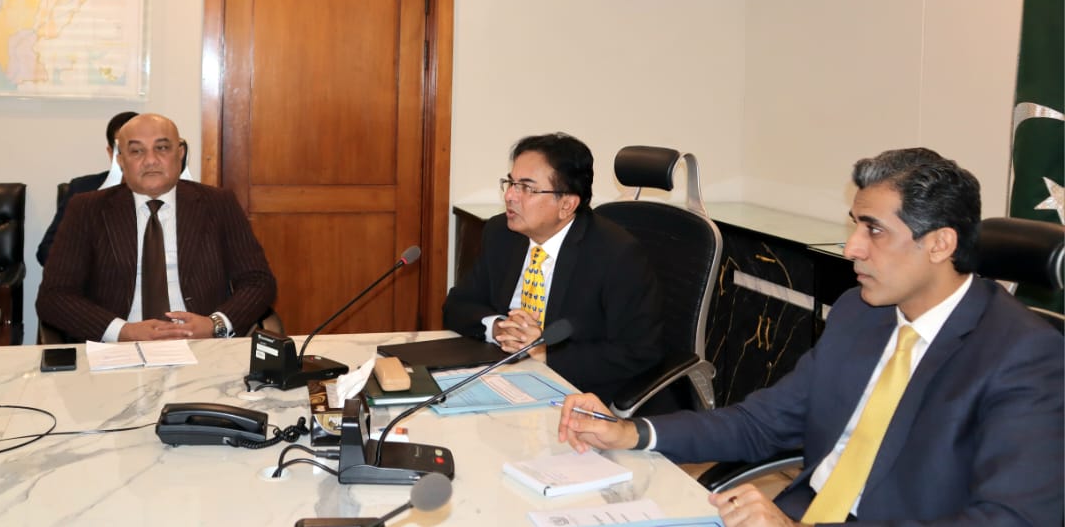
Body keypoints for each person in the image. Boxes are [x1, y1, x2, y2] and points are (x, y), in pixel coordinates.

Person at [558, 148, 1063, 527]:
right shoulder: (860, 314)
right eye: (854, 226)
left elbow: (1010, 519)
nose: (851, 248)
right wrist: (634, 432)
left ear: (940, 244)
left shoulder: (1025, 356)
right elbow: (762, 422)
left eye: (874, 230)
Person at [442, 133, 663, 406]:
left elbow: (639, 351)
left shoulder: (616, 254)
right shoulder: (501, 232)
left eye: (527, 188)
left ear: (567, 204)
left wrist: (544, 352)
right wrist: (500, 328)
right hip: (503, 374)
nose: (510, 196)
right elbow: (457, 305)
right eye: (511, 183)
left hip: (578, 393)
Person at [36, 113, 277, 342]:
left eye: (162, 148)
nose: (150, 160)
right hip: (118, 349)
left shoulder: (218, 203)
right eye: (136, 151)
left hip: (202, 343)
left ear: (180, 154)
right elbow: (54, 296)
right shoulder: (87, 209)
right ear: (120, 160)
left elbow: (258, 281)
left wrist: (215, 324)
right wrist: (123, 331)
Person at [35, 110, 138, 266]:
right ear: (111, 153)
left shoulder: (168, 192)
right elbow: (47, 251)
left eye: (138, 149)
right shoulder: (83, 189)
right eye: (125, 149)